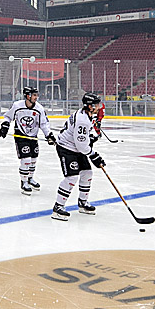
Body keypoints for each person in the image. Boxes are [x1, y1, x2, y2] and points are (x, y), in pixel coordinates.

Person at [46, 92, 106, 221]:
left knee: (87, 173)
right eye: (96, 104)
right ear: (89, 106)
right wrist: (94, 156)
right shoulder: (83, 120)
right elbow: (82, 146)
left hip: (76, 148)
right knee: (71, 177)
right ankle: (58, 207)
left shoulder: (86, 115)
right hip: (67, 149)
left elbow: (82, 139)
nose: (98, 107)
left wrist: (91, 137)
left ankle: (82, 203)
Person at [0, 86, 51, 195]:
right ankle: (24, 181)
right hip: (21, 136)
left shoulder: (39, 108)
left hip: (33, 136)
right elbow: (8, 116)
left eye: (37, 95)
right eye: (34, 95)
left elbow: (43, 124)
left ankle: (30, 178)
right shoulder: (17, 106)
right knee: (26, 159)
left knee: (34, 159)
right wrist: (5, 126)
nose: (37, 97)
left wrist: (49, 135)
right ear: (28, 96)